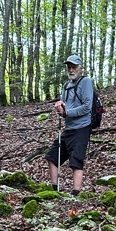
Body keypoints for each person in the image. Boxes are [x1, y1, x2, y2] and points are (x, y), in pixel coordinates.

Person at [45, 54, 93, 195]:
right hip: (69, 128)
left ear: (81, 68)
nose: (71, 70)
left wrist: (67, 113)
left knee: (76, 161)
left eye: (74, 67)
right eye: (69, 67)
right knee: (52, 157)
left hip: (82, 128)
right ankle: (55, 191)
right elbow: (65, 106)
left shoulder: (86, 82)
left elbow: (87, 107)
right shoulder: (66, 85)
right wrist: (60, 107)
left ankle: (75, 195)